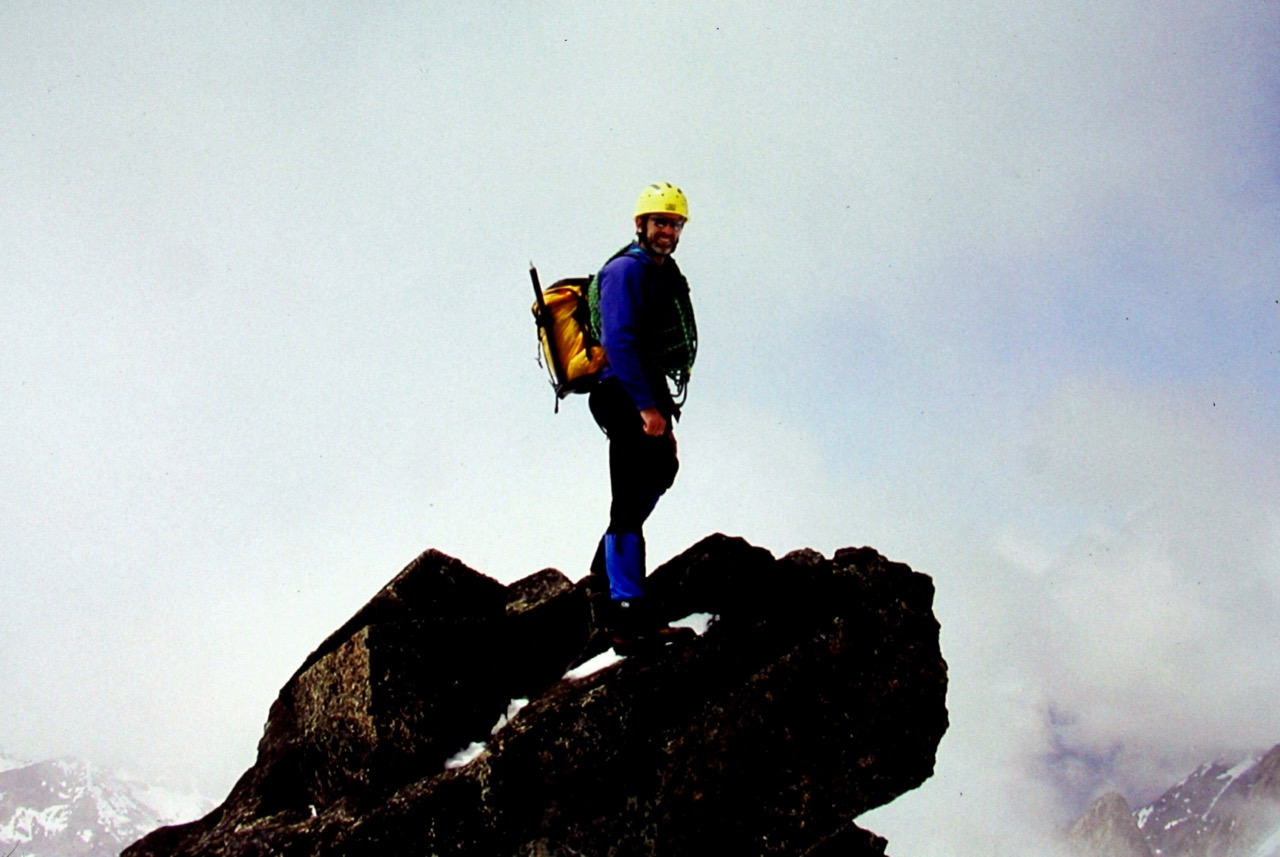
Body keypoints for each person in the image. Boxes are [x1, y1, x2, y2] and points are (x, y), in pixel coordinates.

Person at [587, 182, 698, 651]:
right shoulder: (625, 272)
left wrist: (659, 412)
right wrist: (646, 409)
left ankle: (604, 579)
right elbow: (620, 342)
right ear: (641, 225)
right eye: (660, 222)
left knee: (659, 473)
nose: (667, 231)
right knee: (630, 499)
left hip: (645, 393)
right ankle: (626, 612)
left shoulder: (661, 272)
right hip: (622, 393)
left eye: (674, 224)